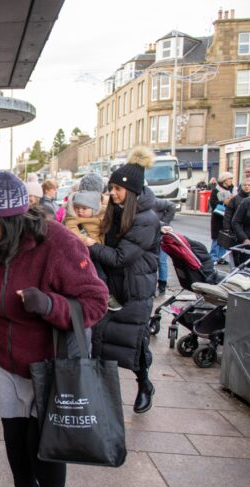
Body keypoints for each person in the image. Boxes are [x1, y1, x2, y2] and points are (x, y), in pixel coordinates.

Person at [0, 171, 108, 487]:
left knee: (45, 443)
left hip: (49, 364)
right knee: (14, 435)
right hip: (1, 358)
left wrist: (49, 306)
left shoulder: (55, 242)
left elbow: (96, 301)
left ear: (13, 217)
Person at [86, 147, 160, 414]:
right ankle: (103, 395)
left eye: (117, 189)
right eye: (111, 187)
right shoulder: (117, 211)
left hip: (134, 290)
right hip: (112, 286)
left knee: (132, 340)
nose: (112, 193)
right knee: (103, 339)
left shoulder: (146, 219)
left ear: (132, 191)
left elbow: (119, 257)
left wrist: (89, 244)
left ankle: (144, 385)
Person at [152, 197, 177, 295]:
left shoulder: (155, 202)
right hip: (153, 234)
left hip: (162, 235)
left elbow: (172, 206)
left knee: (162, 260)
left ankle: (162, 283)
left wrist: (164, 222)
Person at [209, 173, 234, 264]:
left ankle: (221, 257)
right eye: (229, 179)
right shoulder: (216, 190)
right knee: (216, 237)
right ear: (224, 180)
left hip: (227, 217)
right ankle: (213, 257)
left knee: (225, 237)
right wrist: (224, 202)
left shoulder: (232, 189)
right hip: (218, 217)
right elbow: (212, 203)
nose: (231, 181)